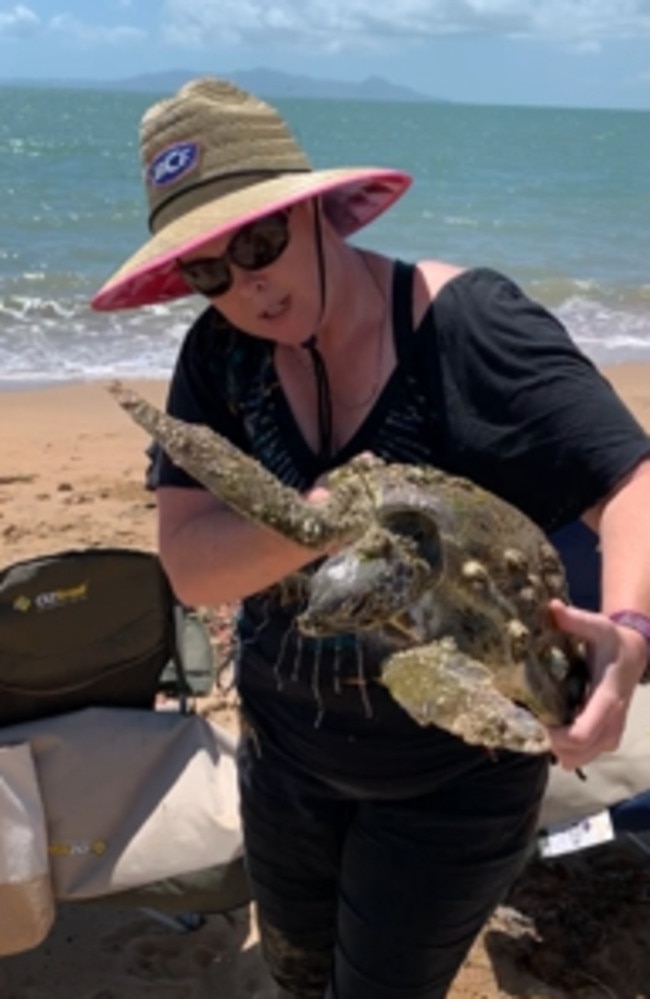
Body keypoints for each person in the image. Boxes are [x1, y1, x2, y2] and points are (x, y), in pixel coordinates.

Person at [92, 77, 650, 999]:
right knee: (297, 972)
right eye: (209, 271)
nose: (246, 284)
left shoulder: (467, 327)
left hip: (454, 778)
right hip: (285, 754)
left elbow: (631, 479)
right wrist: (318, 523)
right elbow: (188, 564)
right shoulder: (218, 358)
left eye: (261, 244)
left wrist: (627, 639)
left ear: (318, 213)